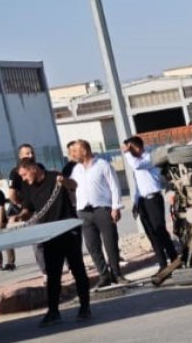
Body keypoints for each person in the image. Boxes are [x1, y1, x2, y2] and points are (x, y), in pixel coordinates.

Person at [16, 158, 92, 326]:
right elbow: (28, 210)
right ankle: (53, 311)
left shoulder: (54, 177)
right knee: (53, 274)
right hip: (49, 233)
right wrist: (19, 216)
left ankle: (85, 307)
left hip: (68, 228)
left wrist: (63, 181)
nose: (24, 178)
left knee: (77, 267)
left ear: (33, 169)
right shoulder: (27, 186)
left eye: (25, 174)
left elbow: (73, 185)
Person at [69, 139, 123, 287]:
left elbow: (115, 186)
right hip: (84, 212)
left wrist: (116, 207)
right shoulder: (76, 170)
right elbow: (73, 188)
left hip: (102, 209)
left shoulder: (102, 165)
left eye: (75, 151)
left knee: (110, 242)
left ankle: (116, 274)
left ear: (84, 150)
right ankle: (103, 275)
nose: (72, 155)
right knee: (92, 245)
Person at [122, 136, 180, 273]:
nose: (126, 151)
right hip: (142, 200)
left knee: (160, 231)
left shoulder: (149, 157)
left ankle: (174, 258)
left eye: (129, 148)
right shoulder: (135, 160)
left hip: (153, 199)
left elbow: (137, 165)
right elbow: (137, 185)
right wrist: (135, 203)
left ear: (135, 147)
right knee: (151, 234)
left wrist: (127, 153)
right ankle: (162, 264)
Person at [8, 143, 45, 275]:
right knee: (38, 242)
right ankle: (45, 271)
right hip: (31, 211)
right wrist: (21, 205)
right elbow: (11, 194)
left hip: (45, 207)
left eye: (32, 153)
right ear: (20, 156)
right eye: (27, 153)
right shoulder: (15, 172)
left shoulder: (40, 167)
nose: (31, 155)